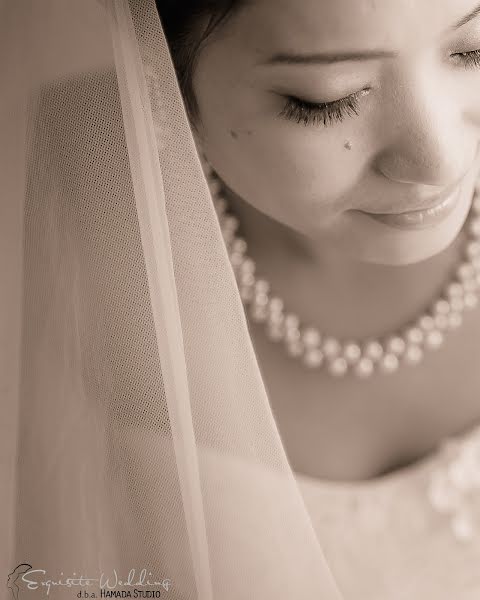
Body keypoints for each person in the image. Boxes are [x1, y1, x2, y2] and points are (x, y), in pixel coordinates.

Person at [2, 1, 480, 598]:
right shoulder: (56, 209)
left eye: (472, 49)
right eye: (325, 99)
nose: (438, 161)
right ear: (161, 68)